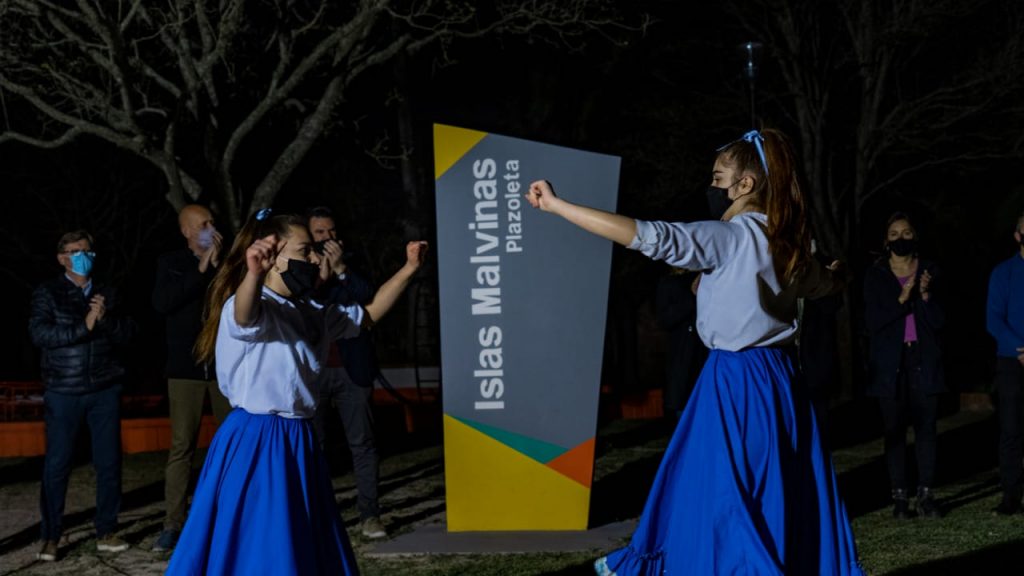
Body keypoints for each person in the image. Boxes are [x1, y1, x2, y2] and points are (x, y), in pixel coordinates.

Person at [527, 128, 863, 575]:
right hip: (780, 382)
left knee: (726, 496)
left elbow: (645, 235)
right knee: (767, 492)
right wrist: (840, 271)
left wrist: (557, 205)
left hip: (737, 380)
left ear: (745, 184)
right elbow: (828, 283)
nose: (712, 187)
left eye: (718, 178)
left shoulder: (732, 238)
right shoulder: (788, 246)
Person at [166, 209, 426, 575]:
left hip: (298, 437)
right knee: (262, 544)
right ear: (274, 258)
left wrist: (409, 268)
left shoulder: (312, 310)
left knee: (301, 539)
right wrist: (253, 274)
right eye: (305, 251)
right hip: (258, 438)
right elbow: (244, 316)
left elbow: (367, 316)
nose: (315, 259)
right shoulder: (253, 306)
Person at [28, 230, 137, 562]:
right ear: (62, 258)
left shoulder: (108, 292)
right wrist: (85, 325)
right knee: (58, 465)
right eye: (75, 252)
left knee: (109, 463)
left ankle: (107, 530)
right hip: (64, 390)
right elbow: (41, 334)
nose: (83, 257)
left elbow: (129, 334)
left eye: (87, 251)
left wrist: (105, 320)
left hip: (104, 389)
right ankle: (51, 536)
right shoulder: (47, 293)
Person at [151, 204, 232, 551]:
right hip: (185, 371)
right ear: (186, 231)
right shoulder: (171, 263)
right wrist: (200, 269)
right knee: (182, 446)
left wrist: (219, 267)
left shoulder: (228, 264)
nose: (210, 228)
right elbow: (163, 303)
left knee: (232, 444)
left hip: (224, 368)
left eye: (212, 222)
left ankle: (231, 516)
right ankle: (173, 523)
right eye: (202, 224)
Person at [307, 206, 387, 539]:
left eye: (331, 231)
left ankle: (370, 515)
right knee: (314, 446)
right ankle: (316, 516)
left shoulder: (353, 261)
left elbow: (368, 296)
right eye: (320, 233)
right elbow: (303, 301)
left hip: (352, 368)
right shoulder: (301, 264)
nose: (327, 238)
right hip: (313, 371)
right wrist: (321, 274)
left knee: (362, 444)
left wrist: (341, 269)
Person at [863, 213, 944, 519]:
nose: (901, 238)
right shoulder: (877, 275)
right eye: (894, 233)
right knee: (894, 430)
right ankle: (899, 497)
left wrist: (924, 295)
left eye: (907, 232)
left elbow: (940, 322)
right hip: (889, 363)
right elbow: (872, 322)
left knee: (926, 429)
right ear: (886, 240)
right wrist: (901, 299)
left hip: (923, 359)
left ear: (916, 237)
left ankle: (926, 495)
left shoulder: (930, 271)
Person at [986, 211, 1024, 515]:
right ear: (1017, 235)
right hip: (1012, 361)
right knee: (1011, 430)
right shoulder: (1003, 273)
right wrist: (1019, 348)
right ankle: (1011, 494)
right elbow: (993, 319)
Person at [654, 268, 705, 417]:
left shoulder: (704, 276)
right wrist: (691, 297)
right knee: (683, 397)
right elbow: (664, 320)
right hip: (682, 352)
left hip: (705, 349)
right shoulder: (668, 283)